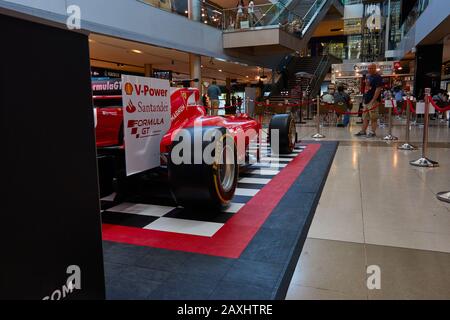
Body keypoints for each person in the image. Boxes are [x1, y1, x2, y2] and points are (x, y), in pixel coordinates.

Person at [355, 63, 383, 138]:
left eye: (372, 68)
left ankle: (372, 132)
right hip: (366, 100)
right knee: (365, 117)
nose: (370, 70)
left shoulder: (378, 77)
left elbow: (378, 89)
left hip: (373, 101)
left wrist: (373, 100)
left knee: (373, 117)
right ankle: (363, 131)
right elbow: (367, 88)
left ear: (375, 68)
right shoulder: (368, 76)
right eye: (369, 68)